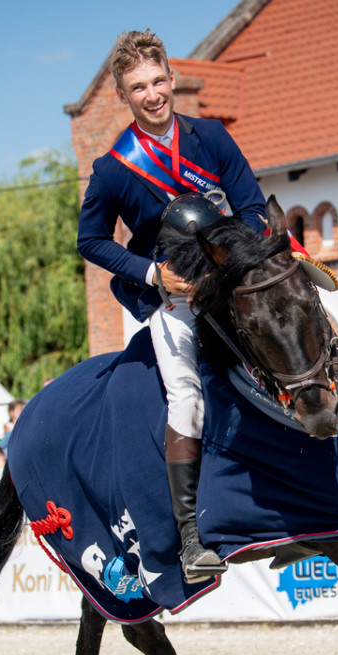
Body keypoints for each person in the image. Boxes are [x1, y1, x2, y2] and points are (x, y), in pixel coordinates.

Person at [77, 29, 267, 582]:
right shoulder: (114, 168)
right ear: (122, 94)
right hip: (174, 297)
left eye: (159, 81)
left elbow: (252, 205)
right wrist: (152, 273)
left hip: (232, 277)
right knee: (186, 396)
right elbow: (91, 240)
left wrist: (235, 258)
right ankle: (190, 539)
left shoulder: (211, 136)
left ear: (173, 79)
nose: (153, 94)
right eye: (139, 87)